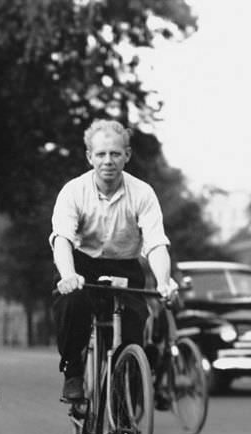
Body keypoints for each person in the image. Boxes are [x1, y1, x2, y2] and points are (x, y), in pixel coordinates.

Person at [49, 118, 177, 403]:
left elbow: (156, 243)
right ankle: (73, 370)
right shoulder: (73, 191)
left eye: (115, 154)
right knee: (72, 305)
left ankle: (123, 402)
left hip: (124, 266)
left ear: (127, 155)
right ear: (90, 157)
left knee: (133, 332)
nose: (108, 161)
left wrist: (164, 281)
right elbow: (62, 240)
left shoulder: (143, 193)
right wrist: (68, 275)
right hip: (81, 264)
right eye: (101, 154)